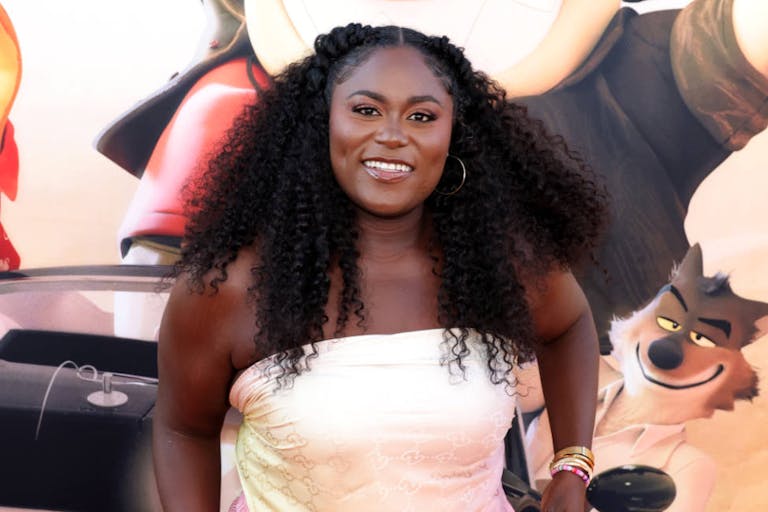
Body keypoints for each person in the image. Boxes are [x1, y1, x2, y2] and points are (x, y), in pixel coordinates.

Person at [153, 23, 608, 511]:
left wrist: (571, 467)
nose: (392, 135)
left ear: (454, 135)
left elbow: (569, 327)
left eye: (421, 116)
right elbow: (184, 429)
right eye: (366, 110)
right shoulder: (230, 286)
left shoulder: (498, 264)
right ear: (322, 121)